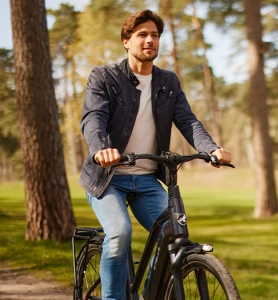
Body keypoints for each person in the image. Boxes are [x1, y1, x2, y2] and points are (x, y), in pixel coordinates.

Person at [78, 9, 231, 300]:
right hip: (108, 178)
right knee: (120, 234)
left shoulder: (168, 83)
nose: (150, 40)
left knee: (173, 234)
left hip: (148, 179)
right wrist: (101, 149)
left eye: (155, 35)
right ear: (126, 41)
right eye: (142, 35)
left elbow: (188, 121)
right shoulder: (105, 77)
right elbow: (93, 118)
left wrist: (211, 149)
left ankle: (150, 294)